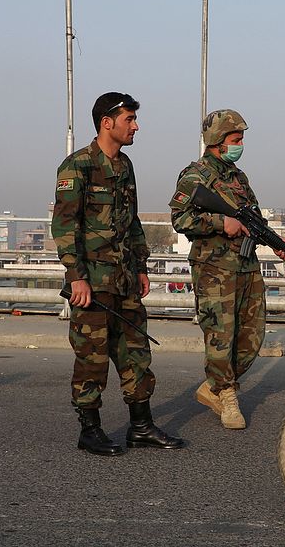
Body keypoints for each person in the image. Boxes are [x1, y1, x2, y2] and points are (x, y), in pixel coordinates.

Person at [52, 92, 185, 455]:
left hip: (125, 279)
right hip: (92, 283)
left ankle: (140, 426)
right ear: (107, 122)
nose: (136, 126)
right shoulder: (77, 166)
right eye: (130, 119)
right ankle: (90, 430)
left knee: (136, 352)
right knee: (91, 356)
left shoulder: (125, 167)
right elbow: (65, 226)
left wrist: (141, 266)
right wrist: (76, 276)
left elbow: (133, 222)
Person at [170, 109, 285, 430]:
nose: (240, 145)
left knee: (253, 334)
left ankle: (213, 385)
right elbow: (180, 219)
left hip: (245, 265)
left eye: (240, 140)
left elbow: (254, 221)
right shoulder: (195, 176)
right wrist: (219, 222)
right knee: (220, 337)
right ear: (217, 141)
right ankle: (226, 393)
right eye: (235, 139)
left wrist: (278, 243)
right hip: (213, 269)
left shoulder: (239, 178)